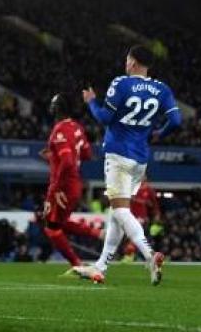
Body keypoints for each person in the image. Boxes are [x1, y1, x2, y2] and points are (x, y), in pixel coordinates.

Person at [74, 45, 181, 285]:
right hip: (140, 160)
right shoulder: (162, 89)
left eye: (127, 60)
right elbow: (175, 120)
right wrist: (159, 134)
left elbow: (104, 118)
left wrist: (91, 102)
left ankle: (149, 254)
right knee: (116, 213)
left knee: (121, 210)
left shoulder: (121, 83)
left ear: (132, 63)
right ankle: (100, 267)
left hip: (119, 155)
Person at [40, 94, 103, 269]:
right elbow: (87, 154)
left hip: (64, 185)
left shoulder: (60, 130)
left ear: (56, 108)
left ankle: (77, 265)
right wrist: (53, 156)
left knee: (51, 227)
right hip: (74, 183)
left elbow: (67, 161)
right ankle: (98, 233)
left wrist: (56, 188)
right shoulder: (77, 127)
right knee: (58, 222)